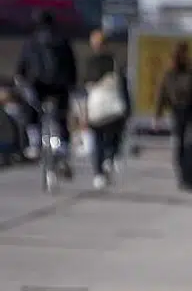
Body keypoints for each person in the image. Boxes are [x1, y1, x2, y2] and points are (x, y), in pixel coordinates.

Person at [15, 10, 78, 175]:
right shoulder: (63, 42)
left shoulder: (30, 43)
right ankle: (63, 146)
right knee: (62, 117)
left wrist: (21, 81)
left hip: (37, 86)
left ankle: (34, 143)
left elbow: (21, 69)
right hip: (60, 87)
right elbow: (72, 68)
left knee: (30, 111)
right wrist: (72, 85)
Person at [154, 42, 192, 192]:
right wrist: (157, 115)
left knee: (191, 145)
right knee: (179, 147)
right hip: (178, 112)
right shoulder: (169, 73)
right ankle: (183, 177)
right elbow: (162, 93)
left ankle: (190, 180)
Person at [83, 29, 128, 188]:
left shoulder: (89, 63)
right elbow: (122, 85)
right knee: (113, 137)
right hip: (113, 107)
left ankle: (99, 174)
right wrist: (128, 107)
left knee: (97, 141)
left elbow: (85, 87)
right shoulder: (114, 62)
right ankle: (109, 159)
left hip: (95, 107)